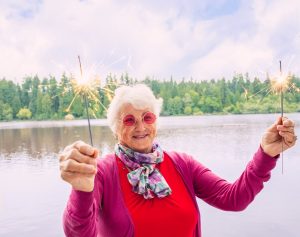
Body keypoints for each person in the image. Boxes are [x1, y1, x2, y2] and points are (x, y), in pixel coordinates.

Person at [59, 84, 297, 237]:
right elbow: (79, 233)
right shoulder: (100, 171)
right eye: (129, 120)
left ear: (156, 122)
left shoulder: (182, 164)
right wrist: (81, 189)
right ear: (115, 128)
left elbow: (233, 199)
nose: (141, 126)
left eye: (147, 117)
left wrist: (266, 154)